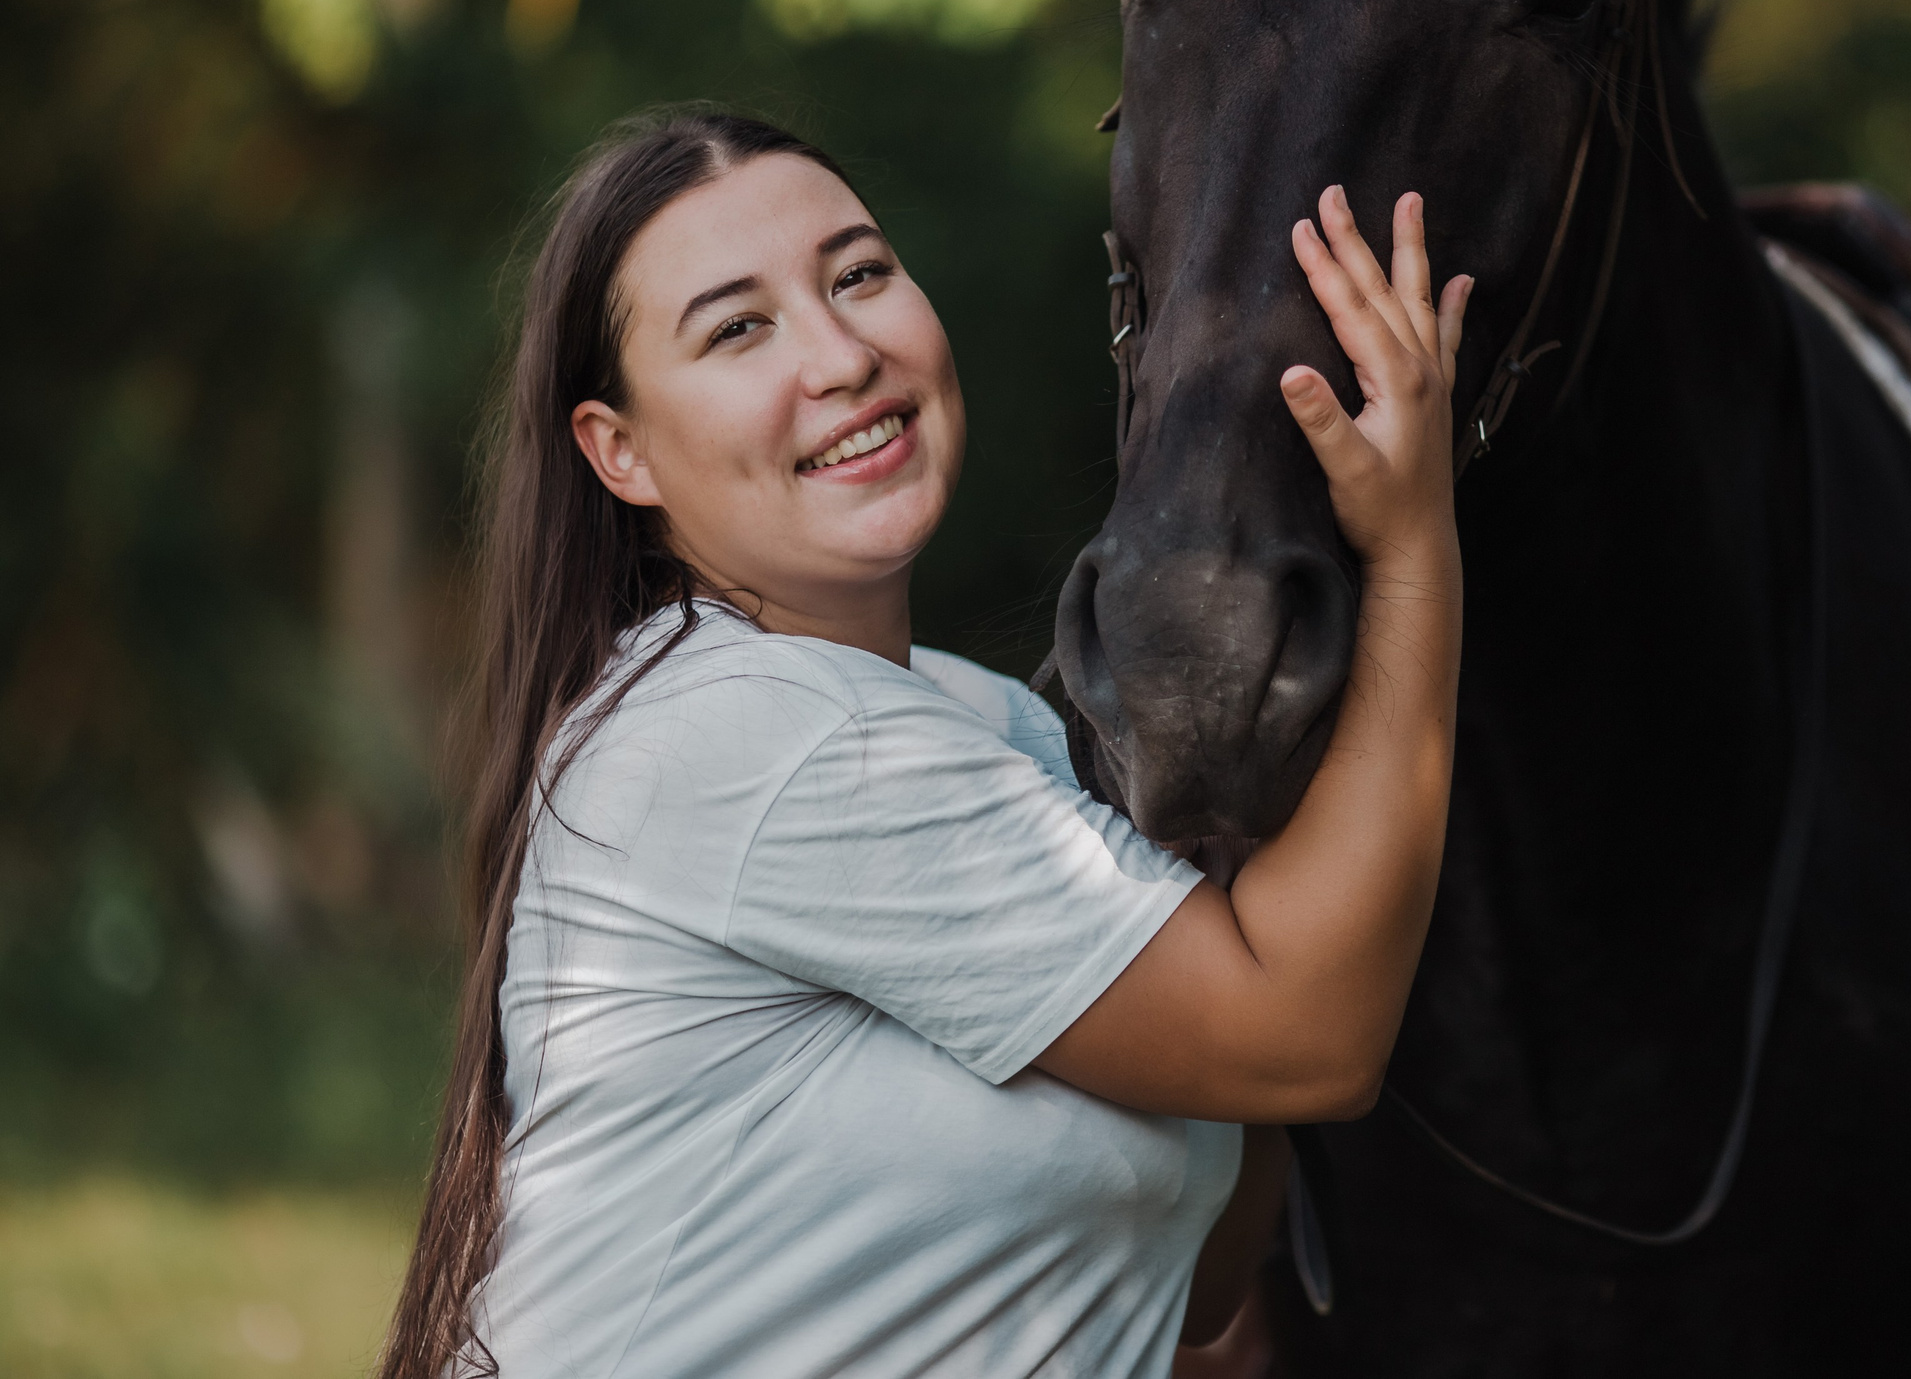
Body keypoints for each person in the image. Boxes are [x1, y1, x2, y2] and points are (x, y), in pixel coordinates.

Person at [379, 110, 1471, 1379]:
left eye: (859, 276)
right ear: (618, 452)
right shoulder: (750, 738)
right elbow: (1307, 1039)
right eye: (739, 328)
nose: (840, 354)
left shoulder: (981, 726)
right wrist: (1411, 546)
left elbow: (1185, 1276)